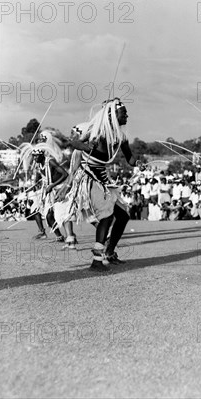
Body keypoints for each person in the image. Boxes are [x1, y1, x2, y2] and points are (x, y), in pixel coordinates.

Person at [66, 98, 143, 271]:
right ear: (113, 114)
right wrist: (86, 146)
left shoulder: (121, 136)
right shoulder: (97, 131)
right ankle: (97, 259)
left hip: (103, 179)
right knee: (107, 216)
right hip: (88, 177)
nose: (127, 115)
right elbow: (75, 143)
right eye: (124, 112)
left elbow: (130, 159)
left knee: (122, 215)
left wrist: (139, 163)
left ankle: (108, 252)